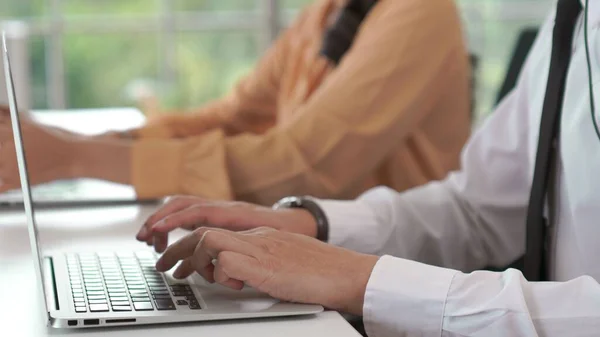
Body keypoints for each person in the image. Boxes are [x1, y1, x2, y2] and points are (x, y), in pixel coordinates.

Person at [135, 0, 600, 336]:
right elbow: (477, 210)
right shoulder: (574, 18)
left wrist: (363, 280)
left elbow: (302, 158)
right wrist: (308, 223)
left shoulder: (419, 13)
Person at [0, 0, 470, 205]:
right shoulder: (327, 13)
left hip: (387, 277)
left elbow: (304, 165)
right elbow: (232, 118)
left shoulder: (419, 11)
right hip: (318, 243)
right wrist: (63, 144)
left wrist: (76, 158)